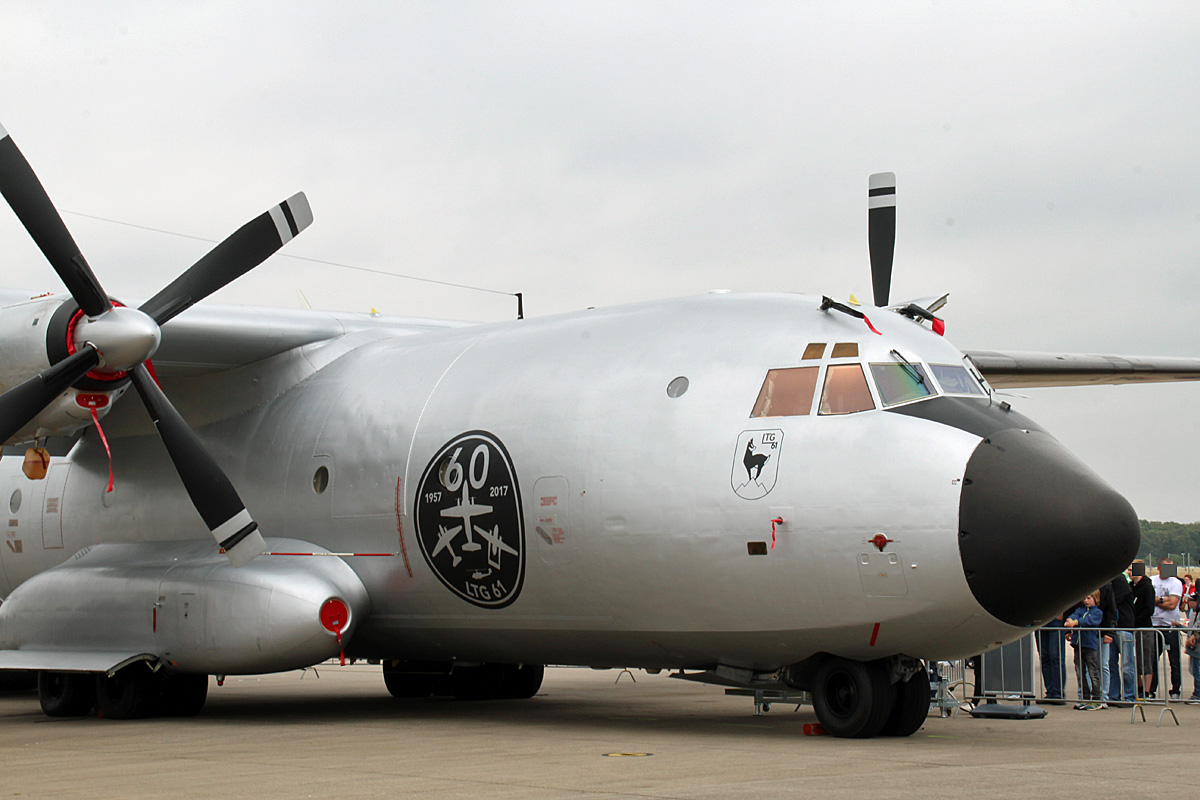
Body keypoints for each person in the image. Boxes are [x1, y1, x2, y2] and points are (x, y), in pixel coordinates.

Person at [1064, 590, 1104, 709]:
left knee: (1093, 672)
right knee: (1080, 672)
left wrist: (1076, 622)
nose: (1086, 601)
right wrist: (1070, 621)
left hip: (1089, 646)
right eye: (1085, 598)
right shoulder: (1080, 610)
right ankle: (1085, 698)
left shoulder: (1097, 612)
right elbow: (1073, 616)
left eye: (1089, 598)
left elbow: (1089, 621)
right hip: (1078, 645)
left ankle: (1096, 699)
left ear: (1095, 599)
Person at [1151, 558, 1184, 700]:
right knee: (1152, 660)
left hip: (1170, 626)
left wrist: (1157, 600)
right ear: (1159, 568)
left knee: (1174, 661)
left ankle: (1175, 689)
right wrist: (1164, 599)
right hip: (1154, 625)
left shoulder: (1176, 582)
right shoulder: (1151, 580)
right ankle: (1151, 689)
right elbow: (1147, 599)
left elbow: (1173, 604)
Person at [1108, 572, 1136, 705]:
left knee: (1127, 665)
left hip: (1124, 627)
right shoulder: (1109, 580)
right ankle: (1114, 695)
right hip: (1111, 628)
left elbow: (1113, 601)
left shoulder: (1119, 580)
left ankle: (1130, 695)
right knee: (1111, 664)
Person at [1130, 560, 1156, 700]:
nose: (1129, 573)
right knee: (1134, 660)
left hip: (1144, 627)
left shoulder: (1147, 588)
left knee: (1146, 659)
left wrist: (1136, 620)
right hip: (1132, 628)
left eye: (1131, 570)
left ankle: (1147, 691)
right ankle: (1139, 688)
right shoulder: (1130, 587)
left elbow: (1149, 609)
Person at [1037, 610, 1068, 704]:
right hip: (1041, 620)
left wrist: (1064, 612)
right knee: (1044, 657)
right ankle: (1050, 692)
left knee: (1055, 657)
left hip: (1055, 620)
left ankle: (1058, 692)